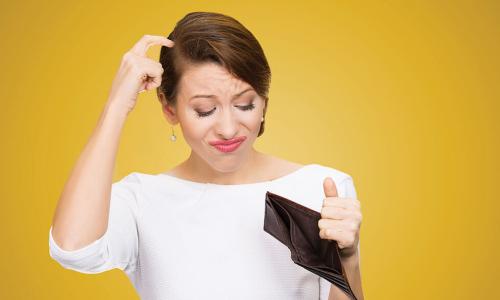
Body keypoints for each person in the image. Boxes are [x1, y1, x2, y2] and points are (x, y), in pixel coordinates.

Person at [48, 11, 364, 300]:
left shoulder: (320, 189)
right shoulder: (142, 200)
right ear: (169, 108)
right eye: (205, 110)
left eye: (245, 105)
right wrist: (116, 106)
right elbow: (73, 249)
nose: (228, 128)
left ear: (264, 103)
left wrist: (346, 258)